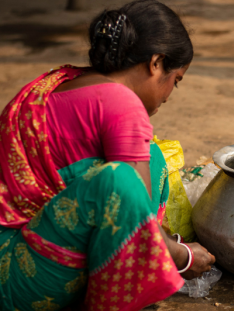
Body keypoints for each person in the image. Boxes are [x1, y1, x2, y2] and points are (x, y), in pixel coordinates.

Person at [0, 1, 216, 310]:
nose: (169, 95)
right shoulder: (123, 104)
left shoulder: (62, 82)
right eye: (176, 80)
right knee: (122, 180)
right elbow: (136, 214)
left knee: (149, 156)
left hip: (20, 252)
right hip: (17, 276)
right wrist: (183, 257)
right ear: (156, 63)